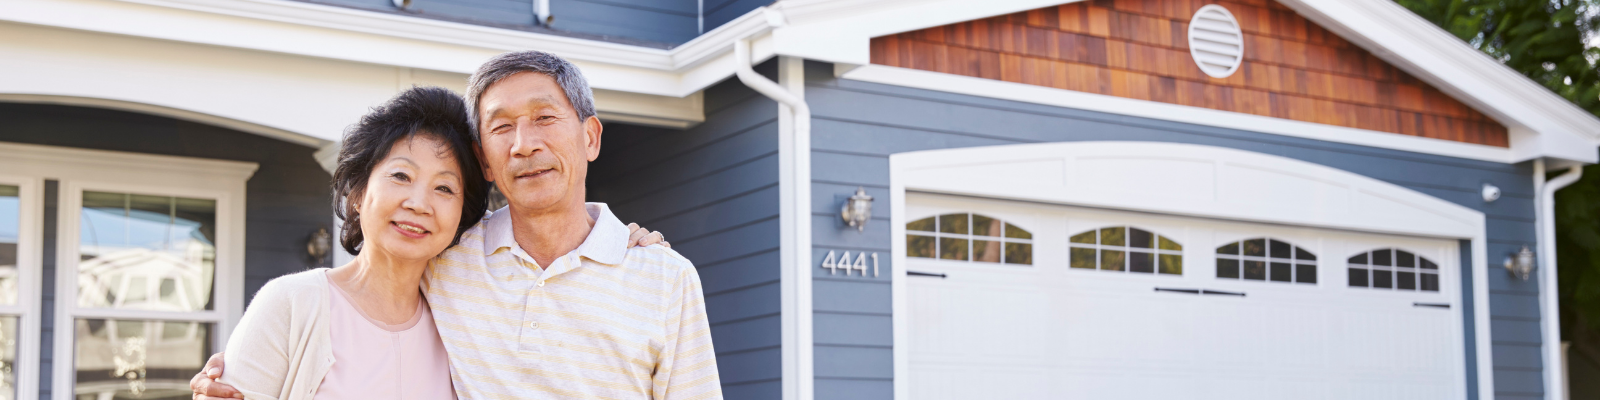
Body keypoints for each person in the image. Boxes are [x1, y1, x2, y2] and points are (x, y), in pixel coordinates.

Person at [193, 51, 720, 399]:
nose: (524, 143)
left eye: (544, 117)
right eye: (502, 127)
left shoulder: (664, 278)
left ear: (590, 137)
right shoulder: (452, 262)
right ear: (488, 164)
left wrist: (640, 251)